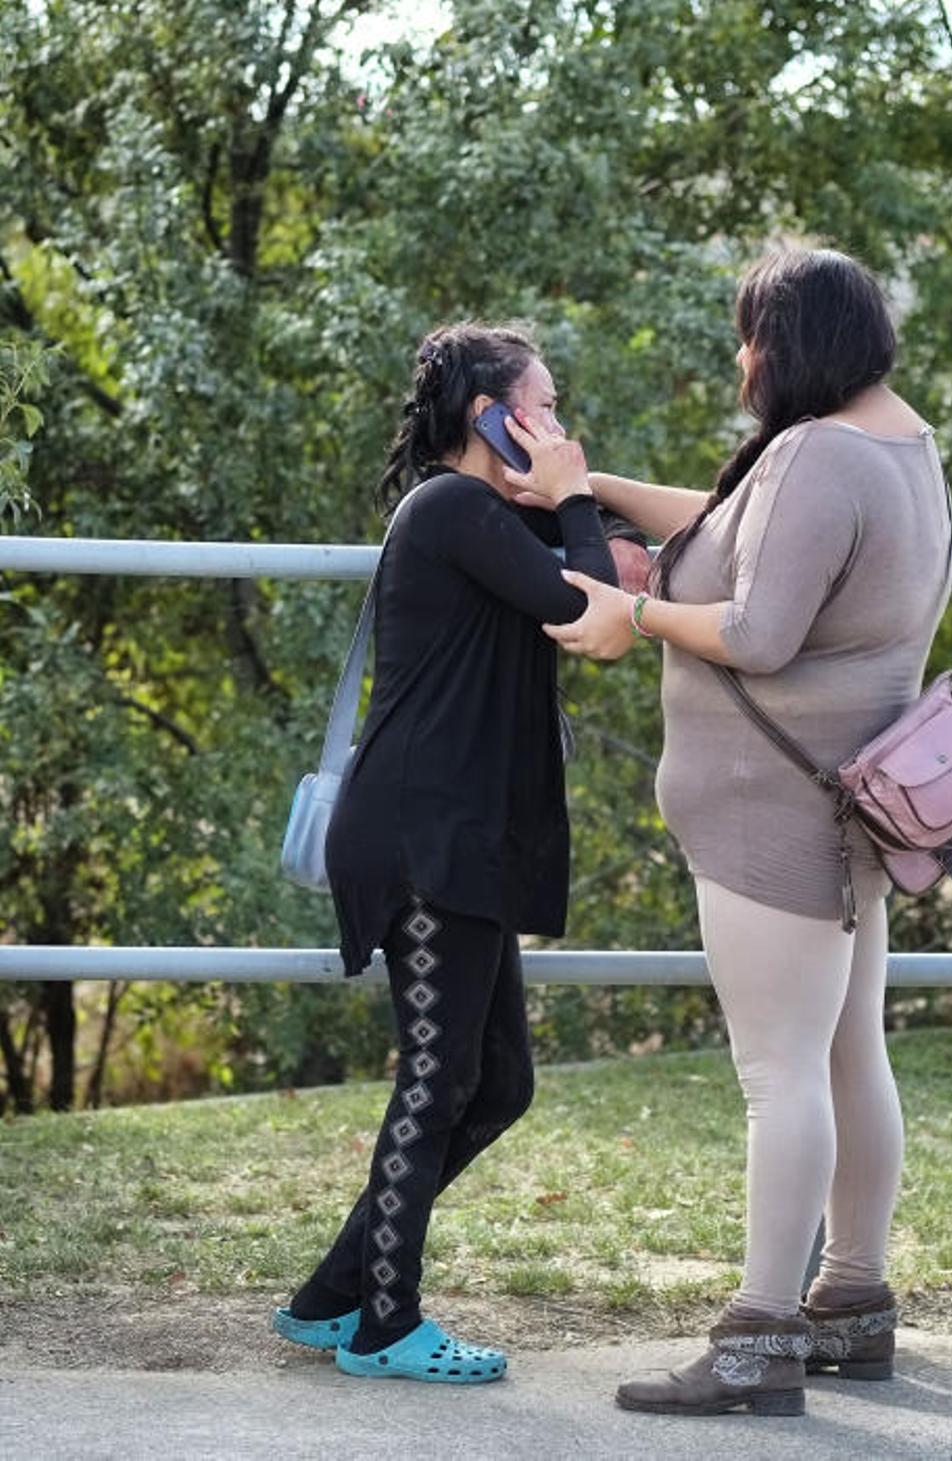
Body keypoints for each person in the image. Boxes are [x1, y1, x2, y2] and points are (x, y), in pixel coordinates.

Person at [507, 248, 952, 1417]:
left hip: (778, 811)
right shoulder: (898, 440)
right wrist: (584, 489)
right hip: (855, 807)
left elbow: (756, 633)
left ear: (792, 343)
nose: (742, 357)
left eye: (752, 335)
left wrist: (635, 610)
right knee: (849, 1055)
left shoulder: (816, 455)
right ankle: (852, 1303)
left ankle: (758, 1337)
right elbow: (737, 525)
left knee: (779, 1074)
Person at [271, 321, 639, 1384]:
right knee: (438, 1080)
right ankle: (386, 1324)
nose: (560, 427)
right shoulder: (451, 508)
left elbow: (592, 588)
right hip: (424, 829)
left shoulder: (485, 517)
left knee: (498, 1082)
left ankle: (331, 1296)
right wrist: (573, 496)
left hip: (458, 830)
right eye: (545, 407)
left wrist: (568, 501)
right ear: (491, 416)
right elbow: (590, 611)